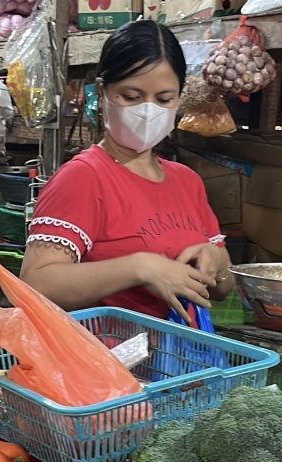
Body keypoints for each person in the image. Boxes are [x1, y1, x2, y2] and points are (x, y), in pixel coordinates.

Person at [21, 21, 233, 322]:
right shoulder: (84, 177)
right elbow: (36, 284)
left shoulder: (187, 181)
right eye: (130, 97)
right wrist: (139, 268)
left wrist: (217, 262)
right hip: (107, 360)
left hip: (181, 360)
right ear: (102, 91)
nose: (147, 111)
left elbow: (224, 287)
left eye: (164, 99)